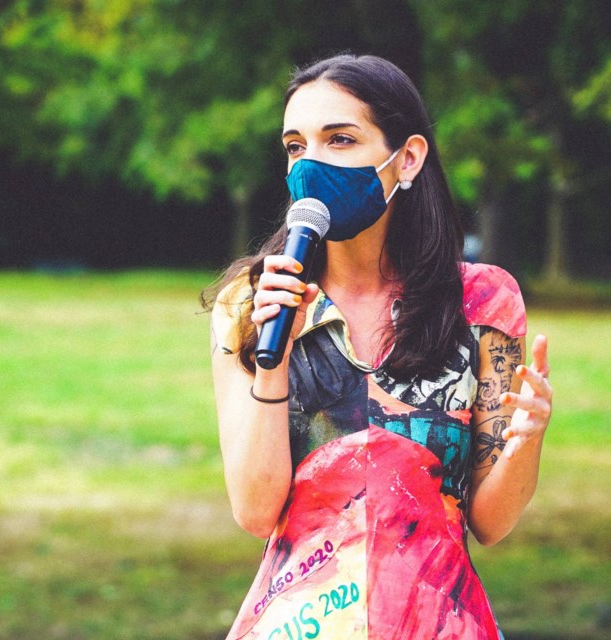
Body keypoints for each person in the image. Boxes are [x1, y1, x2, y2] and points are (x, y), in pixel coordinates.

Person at [205, 54, 553, 639]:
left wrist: (526, 441)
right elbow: (256, 511)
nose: (311, 164)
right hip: (300, 623)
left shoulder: (484, 301)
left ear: (407, 158)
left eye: (339, 139)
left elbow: (490, 523)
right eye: (296, 146)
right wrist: (275, 363)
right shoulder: (250, 303)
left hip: (440, 622)